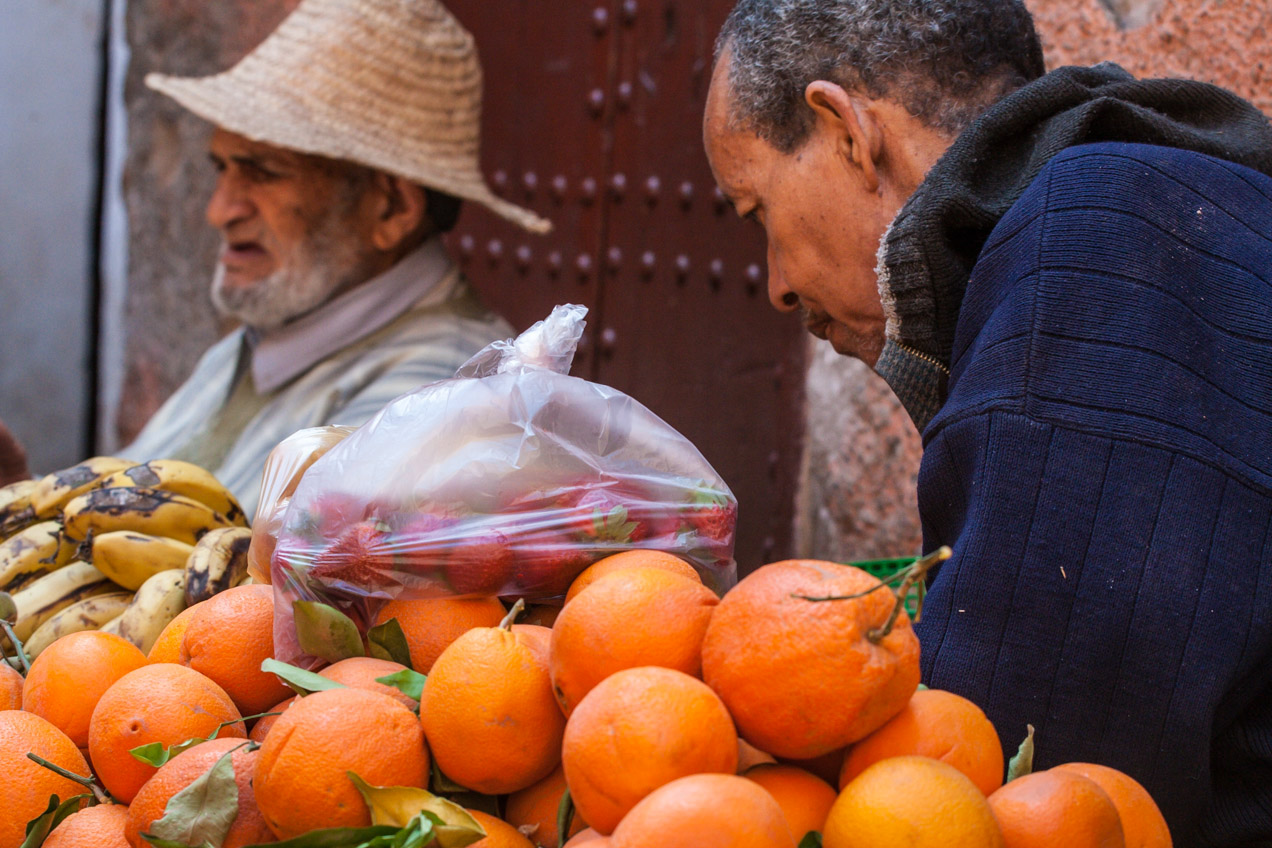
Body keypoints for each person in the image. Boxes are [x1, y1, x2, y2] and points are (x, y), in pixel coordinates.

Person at [704, 1, 1272, 844]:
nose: (777, 284)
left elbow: (1017, 775)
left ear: (846, 130)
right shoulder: (1148, 203)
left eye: (756, 213)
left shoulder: (1091, 244)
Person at [119, 0, 550, 514]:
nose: (220, 211)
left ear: (391, 207)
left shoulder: (441, 397)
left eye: (262, 172)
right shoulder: (262, 342)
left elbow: (260, 579)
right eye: (222, 169)